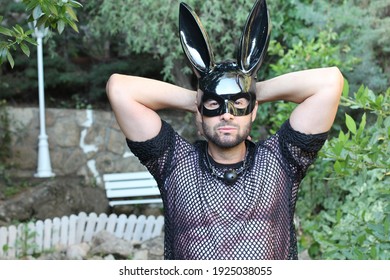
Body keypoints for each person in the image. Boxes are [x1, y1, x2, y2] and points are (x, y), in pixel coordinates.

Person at [106, 0, 343, 260]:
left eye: (238, 103)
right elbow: (120, 89)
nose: (227, 113)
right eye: (213, 104)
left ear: (253, 110)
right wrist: (197, 98)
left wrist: (252, 89)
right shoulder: (174, 164)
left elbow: (330, 82)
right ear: (200, 111)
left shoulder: (280, 161)